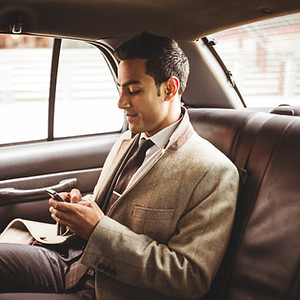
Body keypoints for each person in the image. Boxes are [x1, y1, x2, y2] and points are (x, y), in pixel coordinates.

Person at [0, 32, 239, 300]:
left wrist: (97, 229)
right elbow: (118, 211)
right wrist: (81, 208)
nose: (121, 103)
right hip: (72, 262)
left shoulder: (213, 171)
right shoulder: (127, 141)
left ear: (170, 89)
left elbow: (189, 277)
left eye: (134, 90)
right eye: (120, 88)